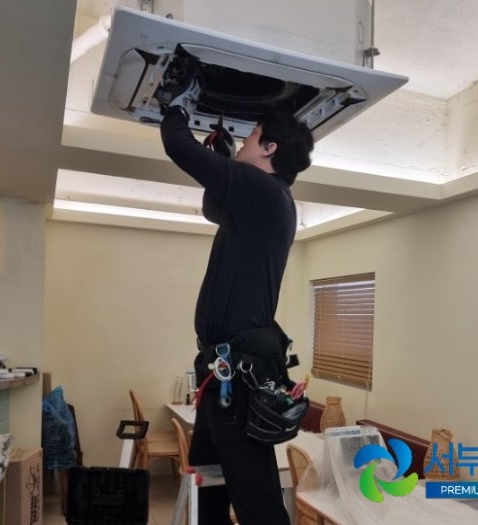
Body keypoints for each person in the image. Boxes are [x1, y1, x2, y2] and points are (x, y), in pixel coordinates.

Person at [160, 81, 314, 525]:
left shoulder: (265, 191)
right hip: (220, 368)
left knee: (255, 499)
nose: (244, 142)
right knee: (208, 480)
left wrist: (177, 106)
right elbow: (215, 208)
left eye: (251, 137)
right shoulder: (263, 199)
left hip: (239, 371)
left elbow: (180, 147)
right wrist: (227, 155)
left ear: (269, 147)